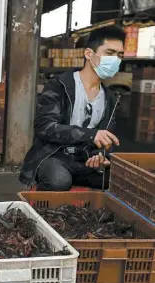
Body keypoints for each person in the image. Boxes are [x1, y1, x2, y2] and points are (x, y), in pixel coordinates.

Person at [20, 26, 126, 191]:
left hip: (84, 161)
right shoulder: (60, 85)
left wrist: (99, 156)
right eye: (110, 53)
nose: (116, 59)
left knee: (121, 182)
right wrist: (91, 135)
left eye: (120, 55)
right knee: (59, 180)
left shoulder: (110, 99)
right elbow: (45, 127)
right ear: (89, 54)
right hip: (53, 156)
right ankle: (41, 207)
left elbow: (106, 140)